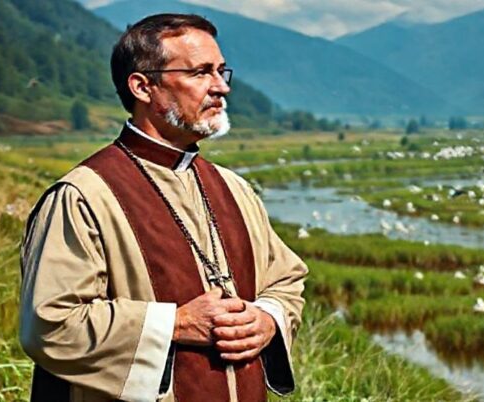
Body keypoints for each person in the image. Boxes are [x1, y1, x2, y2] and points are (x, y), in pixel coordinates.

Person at [18, 13, 308, 402]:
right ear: (143, 86)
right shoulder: (83, 196)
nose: (221, 87)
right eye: (200, 72)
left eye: (222, 71)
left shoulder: (233, 189)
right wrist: (175, 322)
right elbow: (50, 324)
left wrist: (267, 318)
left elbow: (286, 280)